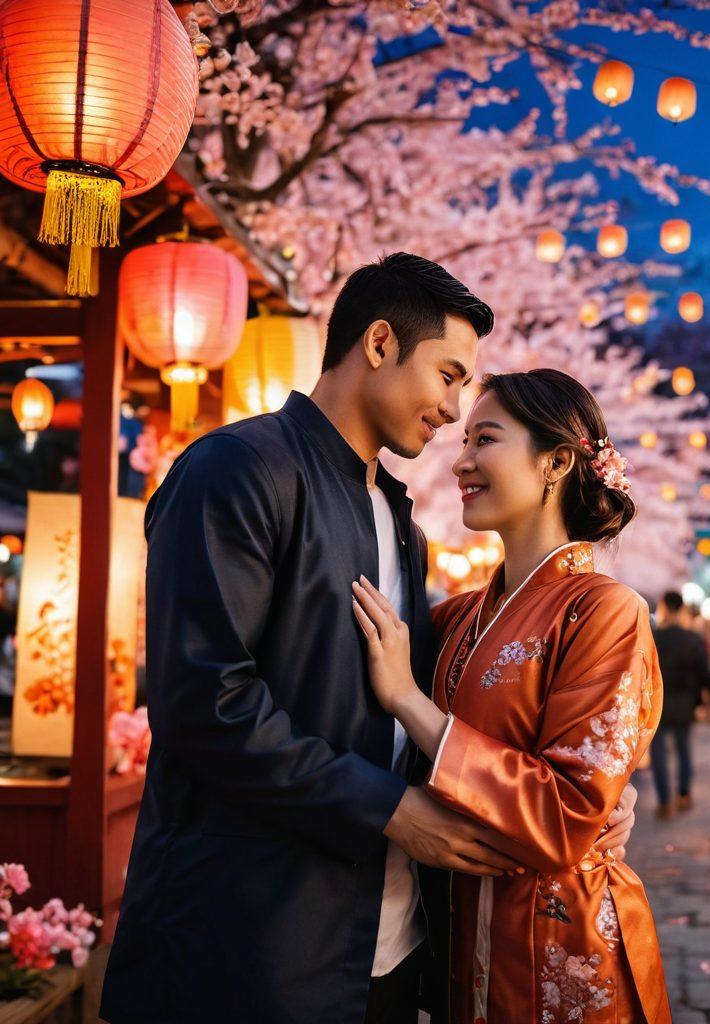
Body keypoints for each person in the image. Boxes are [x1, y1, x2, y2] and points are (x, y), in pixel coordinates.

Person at [100, 255, 637, 1024]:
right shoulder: (238, 470)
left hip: (391, 947)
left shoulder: (401, 525)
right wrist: (392, 809)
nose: (454, 411)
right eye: (449, 376)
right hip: (253, 940)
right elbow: (206, 702)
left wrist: (589, 788)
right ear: (380, 343)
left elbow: (432, 708)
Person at [352, 369, 671, 1023]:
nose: (462, 461)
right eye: (464, 439)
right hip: (456, 938)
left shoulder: (606, 612)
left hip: (561, 948)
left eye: (485, 440)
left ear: (555, 462)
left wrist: (412, 703)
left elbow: (569, 816)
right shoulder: (457, 617)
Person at [650, 591, 710, 817]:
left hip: (657, 704)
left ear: (665, 607)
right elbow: (704, 672)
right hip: (685, 702)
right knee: (684, 750)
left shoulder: (653, 637)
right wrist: (705, 699)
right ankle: (684, 795)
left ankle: (665, 802)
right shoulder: (692, 639)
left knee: (659, 754)